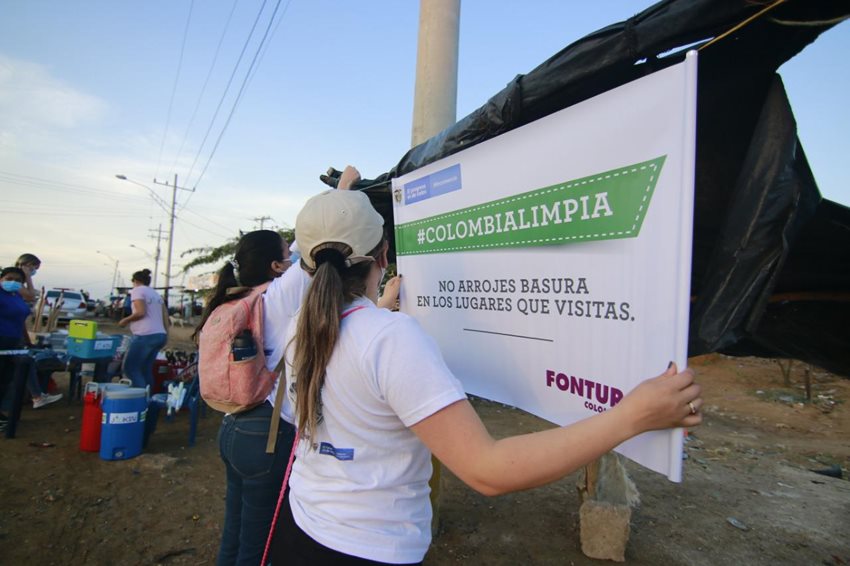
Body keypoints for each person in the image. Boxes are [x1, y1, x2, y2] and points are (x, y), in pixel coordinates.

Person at [269, 189, 703, 565]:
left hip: (301, 525)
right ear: (384, 255)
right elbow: (487, 469)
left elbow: (353, 353)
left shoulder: (299, 327)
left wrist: (381, 308)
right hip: (366, 550)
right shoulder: (390, 339)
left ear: (306, 267)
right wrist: (630, 417)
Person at [193, 230, 296, 566]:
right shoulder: (277, 297)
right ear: (276, 265)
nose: (294, 257)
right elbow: (312, 249)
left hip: (232, 428)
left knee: (234, 533)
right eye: (288, 253)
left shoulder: (237, 299)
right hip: (264, 434)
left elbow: (298, 251)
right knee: (257, 547)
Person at [118, 269, 168, 389]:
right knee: (146, 369)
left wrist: (125, 320)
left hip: (145, 335)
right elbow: (165, 317)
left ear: (135, 281)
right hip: (159, 335)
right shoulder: (155, 294)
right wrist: (166, 335)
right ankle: (149, 396)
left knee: (131, 368)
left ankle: (140, 397)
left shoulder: (137, 290)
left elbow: (141, 312)